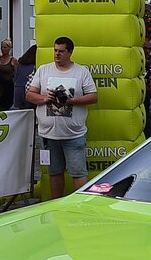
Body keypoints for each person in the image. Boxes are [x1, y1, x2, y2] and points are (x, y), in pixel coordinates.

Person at [26, 37, 98, 200]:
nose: (57, 54)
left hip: (74, 134)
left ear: (70, 53)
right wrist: (45, 98)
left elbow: (93, 97)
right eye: (55, 50)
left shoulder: (81, 72)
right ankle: (56, 204)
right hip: (48, 134)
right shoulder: (44, 70)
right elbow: (29, 95)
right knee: (54, 172)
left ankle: (82, 205)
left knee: (78, 172)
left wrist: (70, 100)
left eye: (61, 51)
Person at [0, 38, 17, 111]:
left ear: (10, 48)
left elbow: (16, 75)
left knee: (5, 106)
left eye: (5, 47)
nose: (3, 49)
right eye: (2, 47)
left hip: (8, 87)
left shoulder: (13, 61)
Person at [12, 44, 37, 110]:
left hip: (18, 90)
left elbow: (15, 77)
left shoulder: (21, 63)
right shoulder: (35, 66)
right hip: (29, 91)